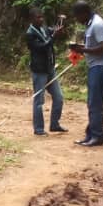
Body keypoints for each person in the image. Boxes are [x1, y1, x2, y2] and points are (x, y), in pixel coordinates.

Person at [70, 0, 103, 147]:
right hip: (95, 66)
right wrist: (80, 48)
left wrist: (83, 50)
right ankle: (91, 135)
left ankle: (97, 136)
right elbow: (93, 45)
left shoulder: (97, 24)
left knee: (94, 103)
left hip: (101, 67)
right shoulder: (90, 24)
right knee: (92, 102)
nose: (77, 20)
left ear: (84, 13)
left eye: (77, 16)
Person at [25, 7, 68, 136]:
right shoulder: (30, 34)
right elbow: (42, 47)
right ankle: (38, 129)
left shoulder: (43, 29)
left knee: (59, 97)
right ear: (32, 19)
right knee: (39, 100)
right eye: (38, 17)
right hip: (39, 71)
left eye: (41, 17)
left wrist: (59, 28)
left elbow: (53, 32)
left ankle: (54, 124)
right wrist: (54, 36)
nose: (41, 19)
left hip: (49, 68)